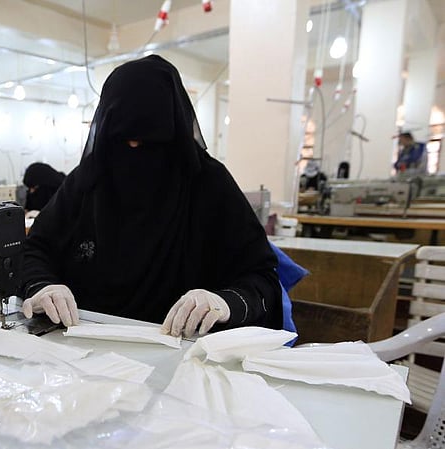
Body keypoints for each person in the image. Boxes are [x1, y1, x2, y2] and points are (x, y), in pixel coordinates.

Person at [21, 55, 282, 337]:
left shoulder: (209, 185)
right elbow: (35, 251)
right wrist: (43, 286)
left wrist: (225, 302)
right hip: (84, 344)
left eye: (150, 142)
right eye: (123, 140)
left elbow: (262, 281)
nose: (135, 151)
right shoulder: (87, 182)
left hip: (183, 351)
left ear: (174, 133)